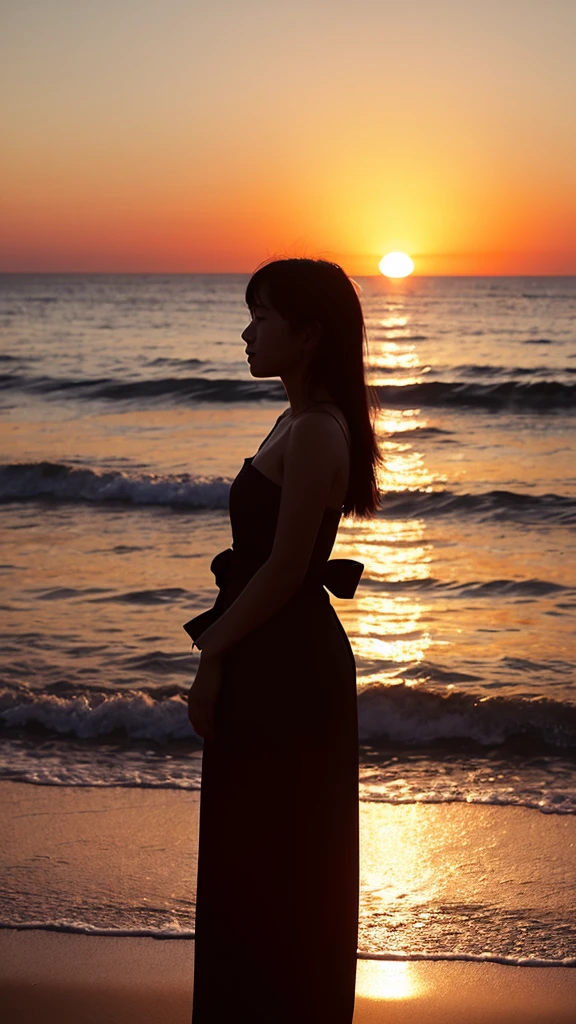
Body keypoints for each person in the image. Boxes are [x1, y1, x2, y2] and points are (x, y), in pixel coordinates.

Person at [186, 257, 381, 1023]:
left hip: (287, 669)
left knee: (279, 867)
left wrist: (211, 656)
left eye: (261, 317)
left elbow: (284, 571)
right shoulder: (295, 419)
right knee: (255, 865)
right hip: (275, 655)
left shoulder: (316, 431)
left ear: (307, 335)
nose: (246, 332)